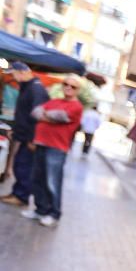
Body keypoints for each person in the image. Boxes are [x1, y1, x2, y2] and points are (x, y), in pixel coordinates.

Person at [20, 75, 83, 227]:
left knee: (52, 181)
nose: (68, 87)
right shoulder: (55, 101)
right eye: (66, 84)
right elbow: (35, 112)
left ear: (77, 90)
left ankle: (54, 213)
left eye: (72, 86)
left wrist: (47, 115)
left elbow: (60, 116)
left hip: (57, 148)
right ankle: (40, 210)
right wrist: (50, 117)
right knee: (37, 178)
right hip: (41, 143)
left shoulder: (76, 106)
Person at [0, 62, 50, 206]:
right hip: (24, 135)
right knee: (20, 165)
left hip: (31, 138)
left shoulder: (36, 89)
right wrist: (16, 130)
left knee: (24, 166)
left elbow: (38, 116)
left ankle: (21, 196)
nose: (13, 78)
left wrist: (33, 139)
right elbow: (25, 114)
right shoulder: (28, 87)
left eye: (13, 74)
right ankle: (17, 193)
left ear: (21, 72)